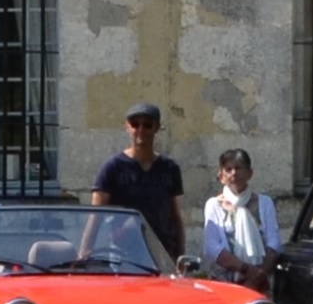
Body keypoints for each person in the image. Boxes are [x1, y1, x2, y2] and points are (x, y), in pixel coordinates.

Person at [89, 101, 189, 262]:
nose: (141, 130)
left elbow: (176, 217)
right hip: (124, 256)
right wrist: (84, 252)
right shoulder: (113, 168)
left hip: (162, 253)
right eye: (135, 124)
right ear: (127, 127)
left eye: (147, 125)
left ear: (157, 128)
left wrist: (181, 256)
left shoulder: (169, 168)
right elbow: (95, 217)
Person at [196, 148, 281, 284]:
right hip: (224, 283)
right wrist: (246, 269)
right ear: (221, 176)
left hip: (258, 281)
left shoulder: (264, 203)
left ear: (250, 173)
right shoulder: (214, 205)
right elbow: (211, 248)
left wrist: (259, 274)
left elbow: (274, 244)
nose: (234, 173)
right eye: (228, 169)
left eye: (238, 168)